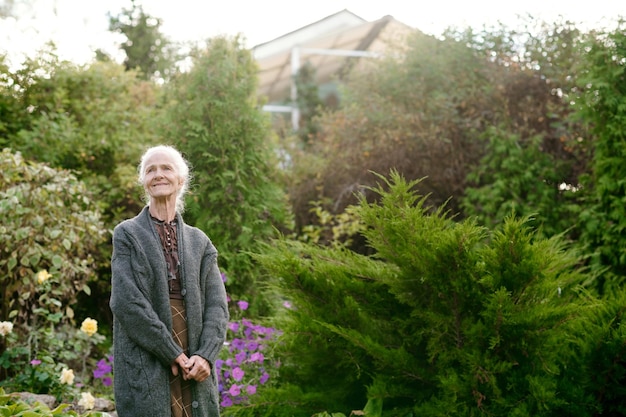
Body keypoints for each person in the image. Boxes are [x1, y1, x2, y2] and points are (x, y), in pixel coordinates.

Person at [110, 145, 229, 417]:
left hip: (194, 351)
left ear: (181, 180)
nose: (158, 174)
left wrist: (205, 355)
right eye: (150, 170)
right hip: (149, 351)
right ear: (143, 181)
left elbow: (217, 307)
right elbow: (127, 302)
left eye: (166, 168)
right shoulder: (127, 234)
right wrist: (171, 351)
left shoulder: (201, 242)